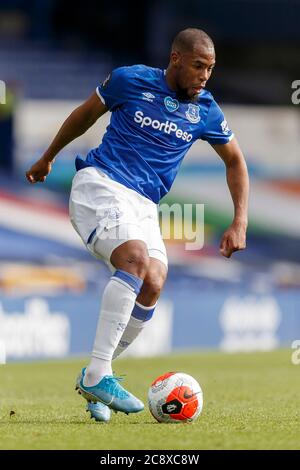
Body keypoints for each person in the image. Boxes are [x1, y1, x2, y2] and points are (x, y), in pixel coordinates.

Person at [26, 28, 249, 422]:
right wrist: (48, 157)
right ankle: (97, 374)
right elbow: (84, 115)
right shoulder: (130, 80)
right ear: (176, 59)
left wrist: (239, 221)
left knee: (155, 280)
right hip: (101, 183)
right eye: (198, 66)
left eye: (211, 69)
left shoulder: (207, 111)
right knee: (135, 258)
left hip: (143, 205)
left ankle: (98, 375)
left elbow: (235, 161)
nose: (204, 76)